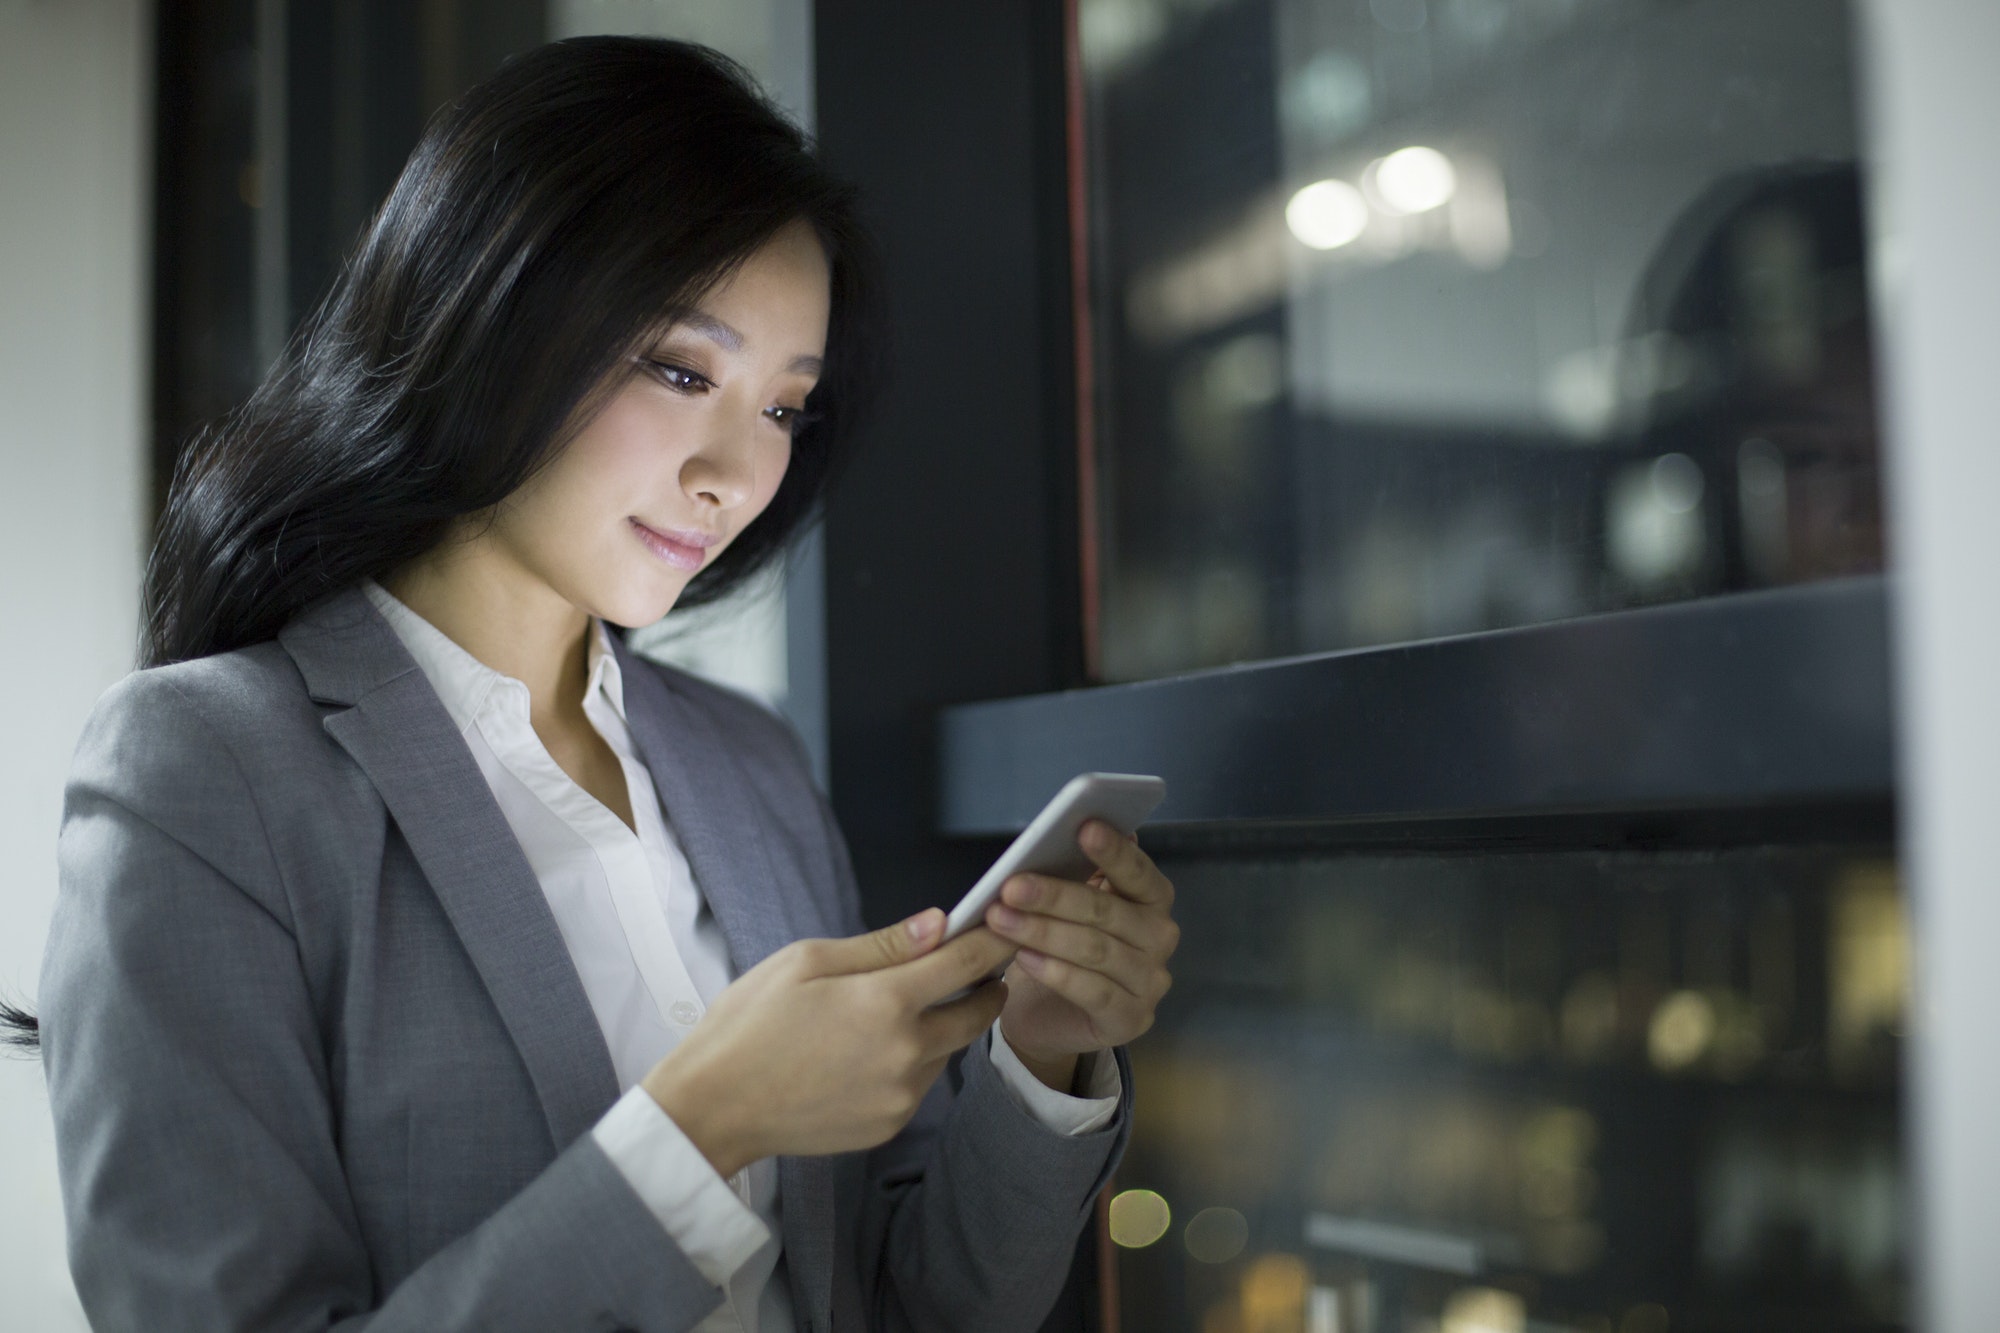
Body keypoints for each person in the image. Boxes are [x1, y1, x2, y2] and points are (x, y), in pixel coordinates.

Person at [29, 37, 1179, 1332]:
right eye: (683, 371)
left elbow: (915, 1304)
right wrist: (703, 1127)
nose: (737, 474)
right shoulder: (204, 772)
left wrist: (1039, 1046)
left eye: (784, 409)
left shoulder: (747, 768)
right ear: (494, 314)